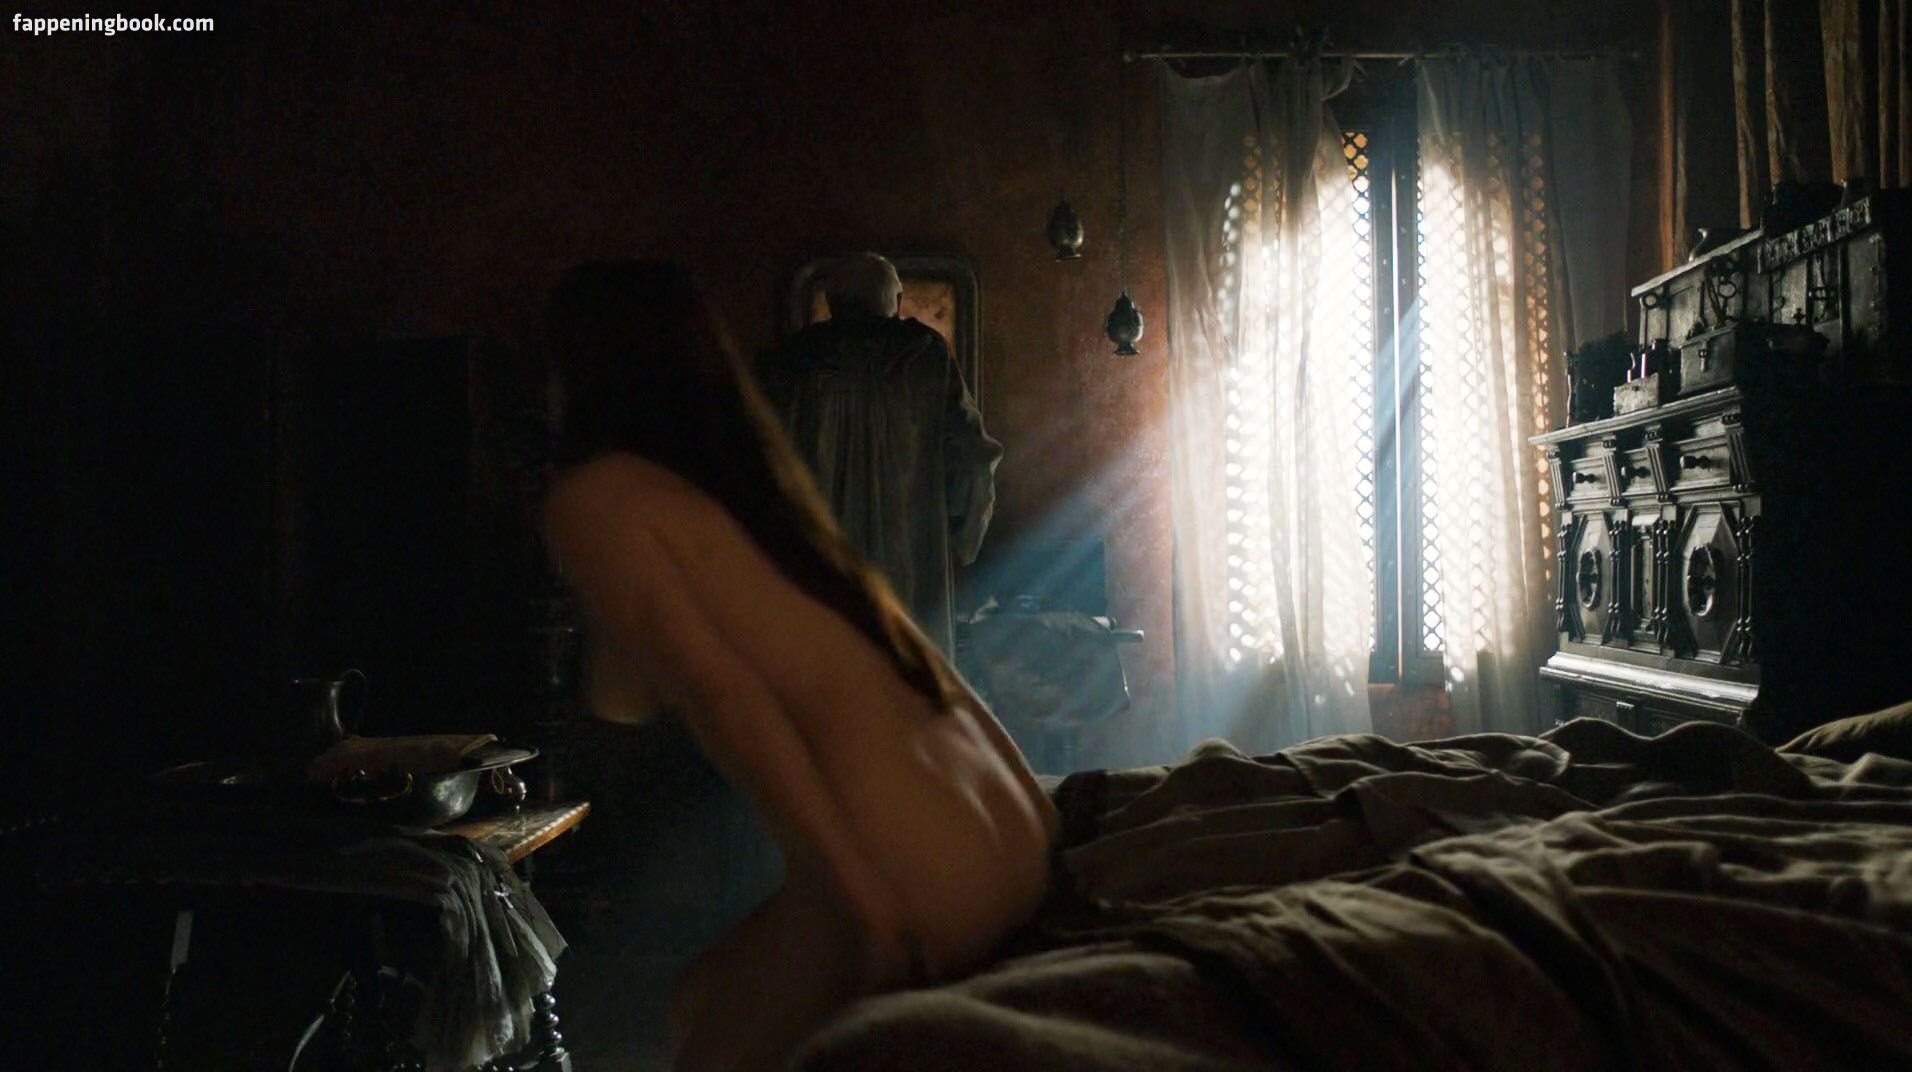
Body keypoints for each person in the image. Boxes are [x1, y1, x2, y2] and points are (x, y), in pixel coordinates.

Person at [539, 261, 1058, 1072]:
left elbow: (726, 700)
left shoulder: (600, 496)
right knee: (703, 996)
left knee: (713, 1039)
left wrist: (861, 904)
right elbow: (918, 666)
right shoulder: (771, 503)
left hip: (916, 858)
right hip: (1014, 831)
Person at [755, 253, 1002, 657]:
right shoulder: (927, 357)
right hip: (912, 577)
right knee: (909, 680)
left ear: (832, 301)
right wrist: (964, 538)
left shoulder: (790, 364)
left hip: (819, 573)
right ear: (897, 299)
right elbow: (973, 460)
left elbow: (757, 464)